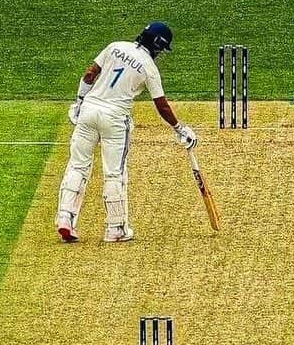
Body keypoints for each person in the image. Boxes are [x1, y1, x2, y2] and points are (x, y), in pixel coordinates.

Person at [55, 22, 199, 243]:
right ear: (157, 45)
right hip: (115, 120)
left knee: (77, 165)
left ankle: (65, 218)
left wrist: (78, 102)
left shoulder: (115, 46)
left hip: (89, 110)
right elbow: (161, 105)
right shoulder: (149, 67)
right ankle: (116, 229)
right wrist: (180, 129)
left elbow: (89, 74)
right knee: (114, 173)